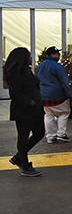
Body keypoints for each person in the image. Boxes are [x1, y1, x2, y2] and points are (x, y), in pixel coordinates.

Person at [3, 47, 45, 177]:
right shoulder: (15, 74)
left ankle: (19, 157)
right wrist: (29, 102)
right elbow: (15, 93)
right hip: (24, 111)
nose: (31, 59)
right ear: (22, 58)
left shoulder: (27, 71)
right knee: (23, 136)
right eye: (29, 56)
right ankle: (25, 164)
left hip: (35, 110)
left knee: (39, 133)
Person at [37, 46, 72, 143]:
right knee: (64, 113)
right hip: (58, 95)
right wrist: (69, 94)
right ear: (52, 55)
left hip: (44, 95)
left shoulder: (41, 66)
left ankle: (50, 136)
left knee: (48, 115)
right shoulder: (58, 66)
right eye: (57, 53)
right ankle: (61, 133)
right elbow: (64, 82)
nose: (59, 55)